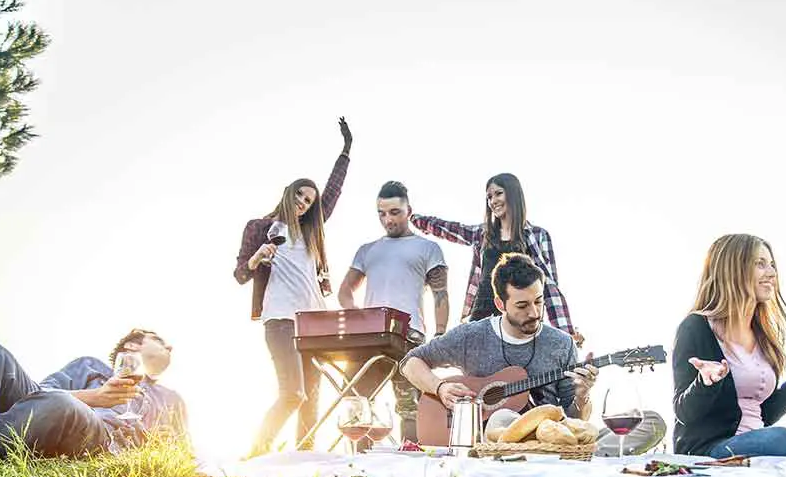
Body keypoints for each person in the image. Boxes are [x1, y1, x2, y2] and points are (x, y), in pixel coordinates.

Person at [0, 329, 186, 461]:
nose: (169, 347)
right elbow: (39, 393)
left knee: (60, 405)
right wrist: (95, 397)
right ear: (131, 347)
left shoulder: (171, 400)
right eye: (159, 340)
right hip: (60, 408)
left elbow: (181, 453)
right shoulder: (88, 366)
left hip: (103, 437)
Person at [234, 118, 351, 457]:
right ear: (288, 193)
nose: (304, 202)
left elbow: (332, 192)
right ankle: (255, 453)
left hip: (316, 322)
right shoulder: (261, 228)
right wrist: (257, 257)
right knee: (292, 393)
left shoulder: (311, 232)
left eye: (309, 200)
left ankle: (305, 461)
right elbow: (240, 274)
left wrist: (345, 151)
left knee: (311, 399)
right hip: (281, 319)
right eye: (300, 194)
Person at [671, 234, 786, 458]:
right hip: (711, 450)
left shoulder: (761, 334)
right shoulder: (696, 327)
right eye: (760, 264)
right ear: (733, 269)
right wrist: (705, 383)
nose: (772, 273)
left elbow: (764, 414)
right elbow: (684, 412)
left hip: (758, 440)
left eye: (772, 265)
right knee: (783, 439)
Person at [400, 254, 596, 422]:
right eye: (522, 306)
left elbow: (575, 422)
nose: (534, 312)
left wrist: (582, 396)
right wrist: (439, 387)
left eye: (538, 301)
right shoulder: (471, 335)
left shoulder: (562, 344)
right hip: (479, 448)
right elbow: (410, 362)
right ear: (500, 304)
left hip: (540, 452)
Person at [410, 173, 583, 344]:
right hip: (482, 317)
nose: (493, 201)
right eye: (489, 197)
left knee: (517, 370)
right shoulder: (484, 234)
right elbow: (450, 229)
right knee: (476, 370)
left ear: (513, 194)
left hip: (519, 318)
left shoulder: (537, 236)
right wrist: (413, 218)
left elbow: (548, 287)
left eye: (498, 193)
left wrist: (565, 333)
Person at [337, 180, 448, 444]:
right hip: (370, 337)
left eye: (394, 212)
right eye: (382, 213)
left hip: (409, 338)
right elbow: (344, 291)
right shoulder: (367, 250)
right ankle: (359, 467)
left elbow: (440, 294)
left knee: (410, 407)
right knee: (355, 403)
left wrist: (440, 333)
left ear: (409, 210)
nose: (388, 219)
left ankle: (409, 465)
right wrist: (358, 316)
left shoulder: (428, 248)